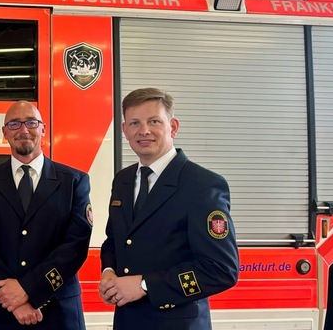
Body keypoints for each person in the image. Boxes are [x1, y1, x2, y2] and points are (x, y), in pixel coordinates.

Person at [99, 87, 239, 329]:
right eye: (134, 123)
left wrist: (144, 285)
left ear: (173, 127)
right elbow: (115, 240)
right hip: (127, 321)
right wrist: (109, 271)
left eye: (154, 121)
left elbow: (221, 270)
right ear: (124, 130)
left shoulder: (202, 185)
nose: (143, 130)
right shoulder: (123, 180)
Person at [0, 100, 92, 329]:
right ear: (4, 133)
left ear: (43, 129)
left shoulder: (74, 181)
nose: (23, 130)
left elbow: (75, 245)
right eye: (14, 124)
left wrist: (29, 290)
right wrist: (13, 300)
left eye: (31, 122)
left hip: (57, 309)